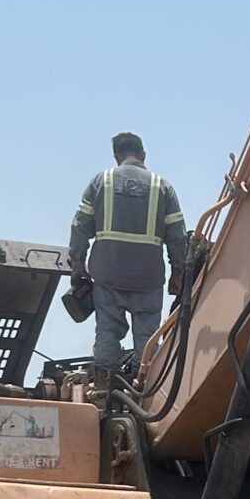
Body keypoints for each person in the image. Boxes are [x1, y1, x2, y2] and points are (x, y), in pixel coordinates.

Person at [69, 132, 190, 379]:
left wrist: (78, 266)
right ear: (143, 155)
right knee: (147, 339)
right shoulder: (162, 187)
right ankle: (143, 390)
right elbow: (178, 238)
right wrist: (178, 274)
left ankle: (104, 388)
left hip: (107, 273)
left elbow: (80, 227)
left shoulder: (100, 182)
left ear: (116, 156)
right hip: (148, 277)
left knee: (108, 331)